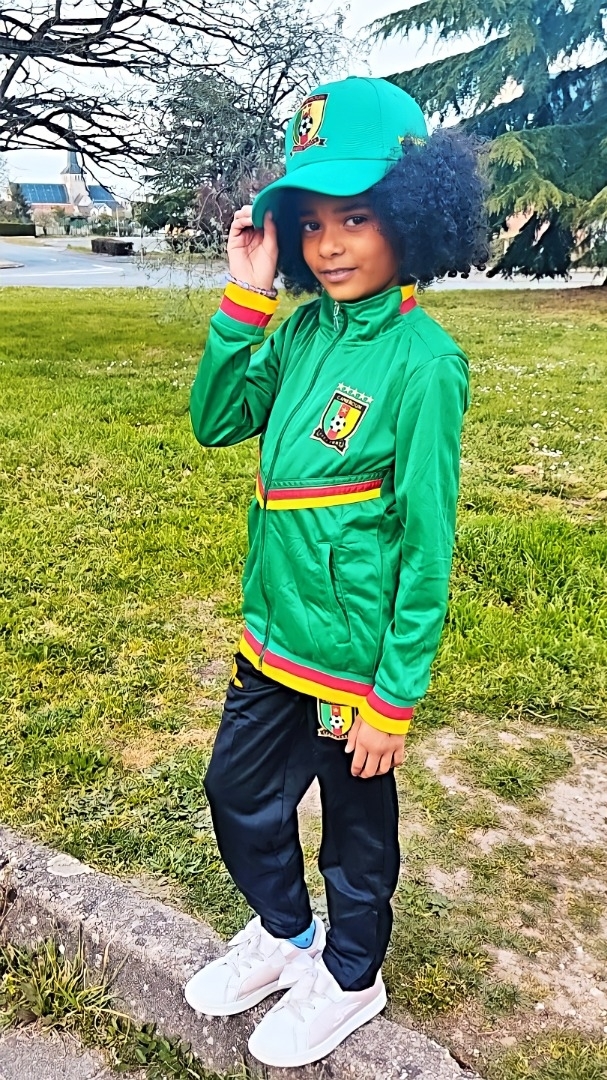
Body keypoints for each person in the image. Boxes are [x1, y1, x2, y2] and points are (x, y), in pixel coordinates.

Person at [185, 76, 487, 1068]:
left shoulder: (423, 364)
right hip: (270, 638)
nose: (328, 245)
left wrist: (391, 701)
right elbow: (216, 419)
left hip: (349, 673)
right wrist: (247, 294)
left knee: (353, 837)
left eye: (355, 217)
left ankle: (351, 976)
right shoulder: (304, 331)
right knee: (235, 794)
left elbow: (426, 545)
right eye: (310, 223)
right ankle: (285, 936)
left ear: (412, 213)